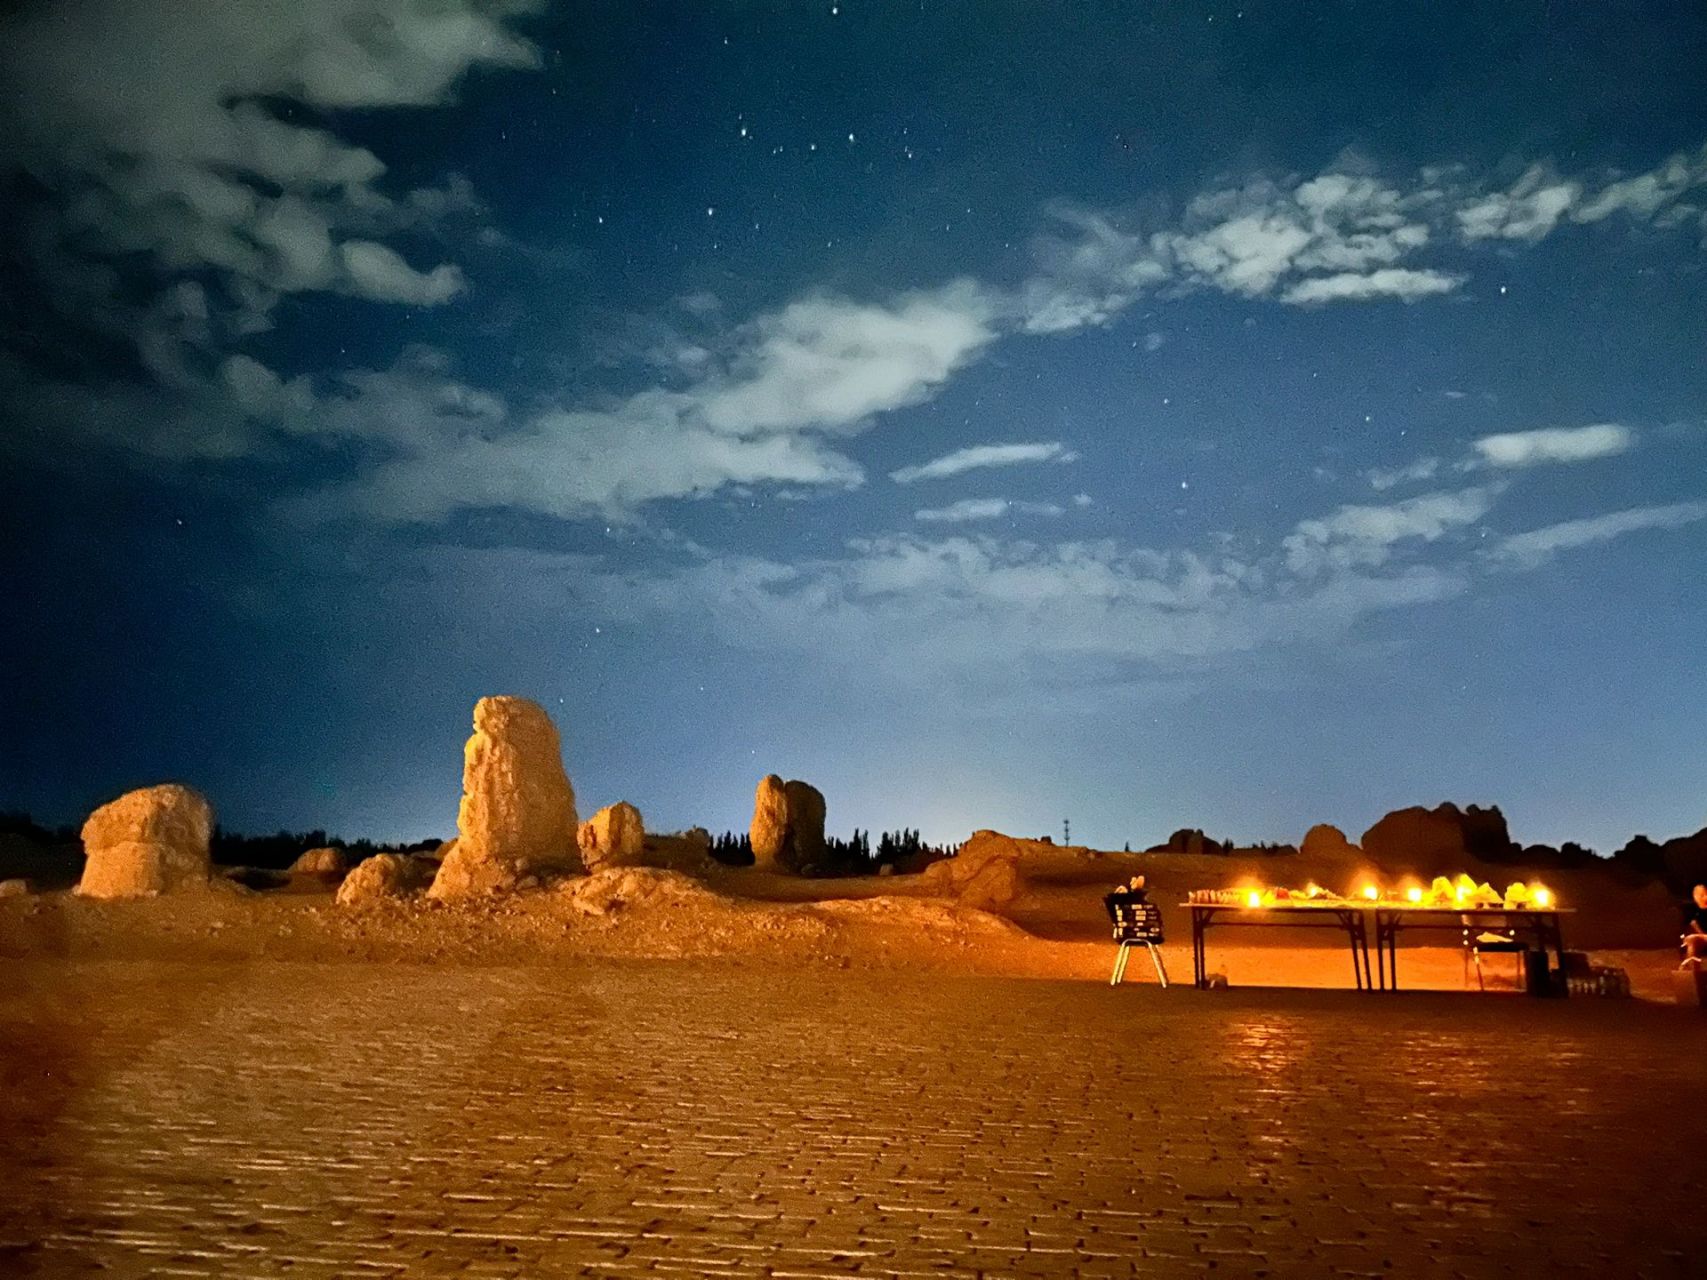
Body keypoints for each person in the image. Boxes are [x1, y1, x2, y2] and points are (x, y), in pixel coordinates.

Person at [1682, 883, 1707, 966]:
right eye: (1702, 895)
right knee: (1692, 941)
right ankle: (1694, 971)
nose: (1705, 897)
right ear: (1695, 897)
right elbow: (1687, 929)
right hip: (1700, 938)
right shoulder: (1692, 912)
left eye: (1706, 894)